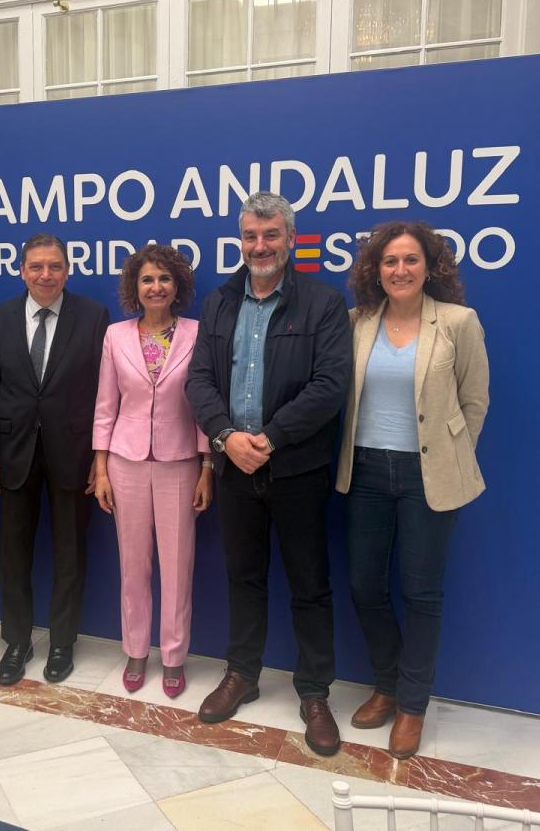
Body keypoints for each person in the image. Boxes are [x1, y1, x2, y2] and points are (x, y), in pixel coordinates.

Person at [186, 191, 351, 756]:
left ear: (290, 238)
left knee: (309, 584)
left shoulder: (324, 303)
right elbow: (199, 381)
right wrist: (227, 438)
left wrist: (271, 438)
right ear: (241, 241)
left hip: (297, 467)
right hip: (235, 467)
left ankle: (314, 693)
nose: (261, 246)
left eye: (271, 235)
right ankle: (243, 674)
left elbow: (330, 386)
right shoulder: (220, 301)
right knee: (243, 577)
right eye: (251, 236)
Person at [336, 220, 489, 759]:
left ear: (430, 267)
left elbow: (475, 401)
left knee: (422, 593)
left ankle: (412, 705)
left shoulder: (457, 322)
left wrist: (448, 455)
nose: (400, 270)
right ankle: (387, 682)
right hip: (368, 473)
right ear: (375, 271)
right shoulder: (357, 322)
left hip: (431, 476)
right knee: (363, 586)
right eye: (390, 262)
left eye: (410, 260)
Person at [0, 234, 109, 685]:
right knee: (13, 553)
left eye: (55, 266)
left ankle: (62, 642)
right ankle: (17, 642)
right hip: (13, 454)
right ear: (21, 270)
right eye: (36, 266)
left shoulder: (94, 317)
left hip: (73, 455)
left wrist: (101, 458)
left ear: (67, 270)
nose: (46, 275)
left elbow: (104, 394)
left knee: (70, 553)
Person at [92, 244, 213, 698]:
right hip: (125, 462)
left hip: (180, 463)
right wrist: (101, 468)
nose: (156, 286)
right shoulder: (115, 336)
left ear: (177, 286)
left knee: (178, 565)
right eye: (147, 279)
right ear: (135, 288)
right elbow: (106, 406)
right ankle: (137, 649)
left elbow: (205, 407)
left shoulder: (198, 334)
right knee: (133, 565)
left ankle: (175, 656)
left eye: (164, 278)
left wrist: (207, 467)